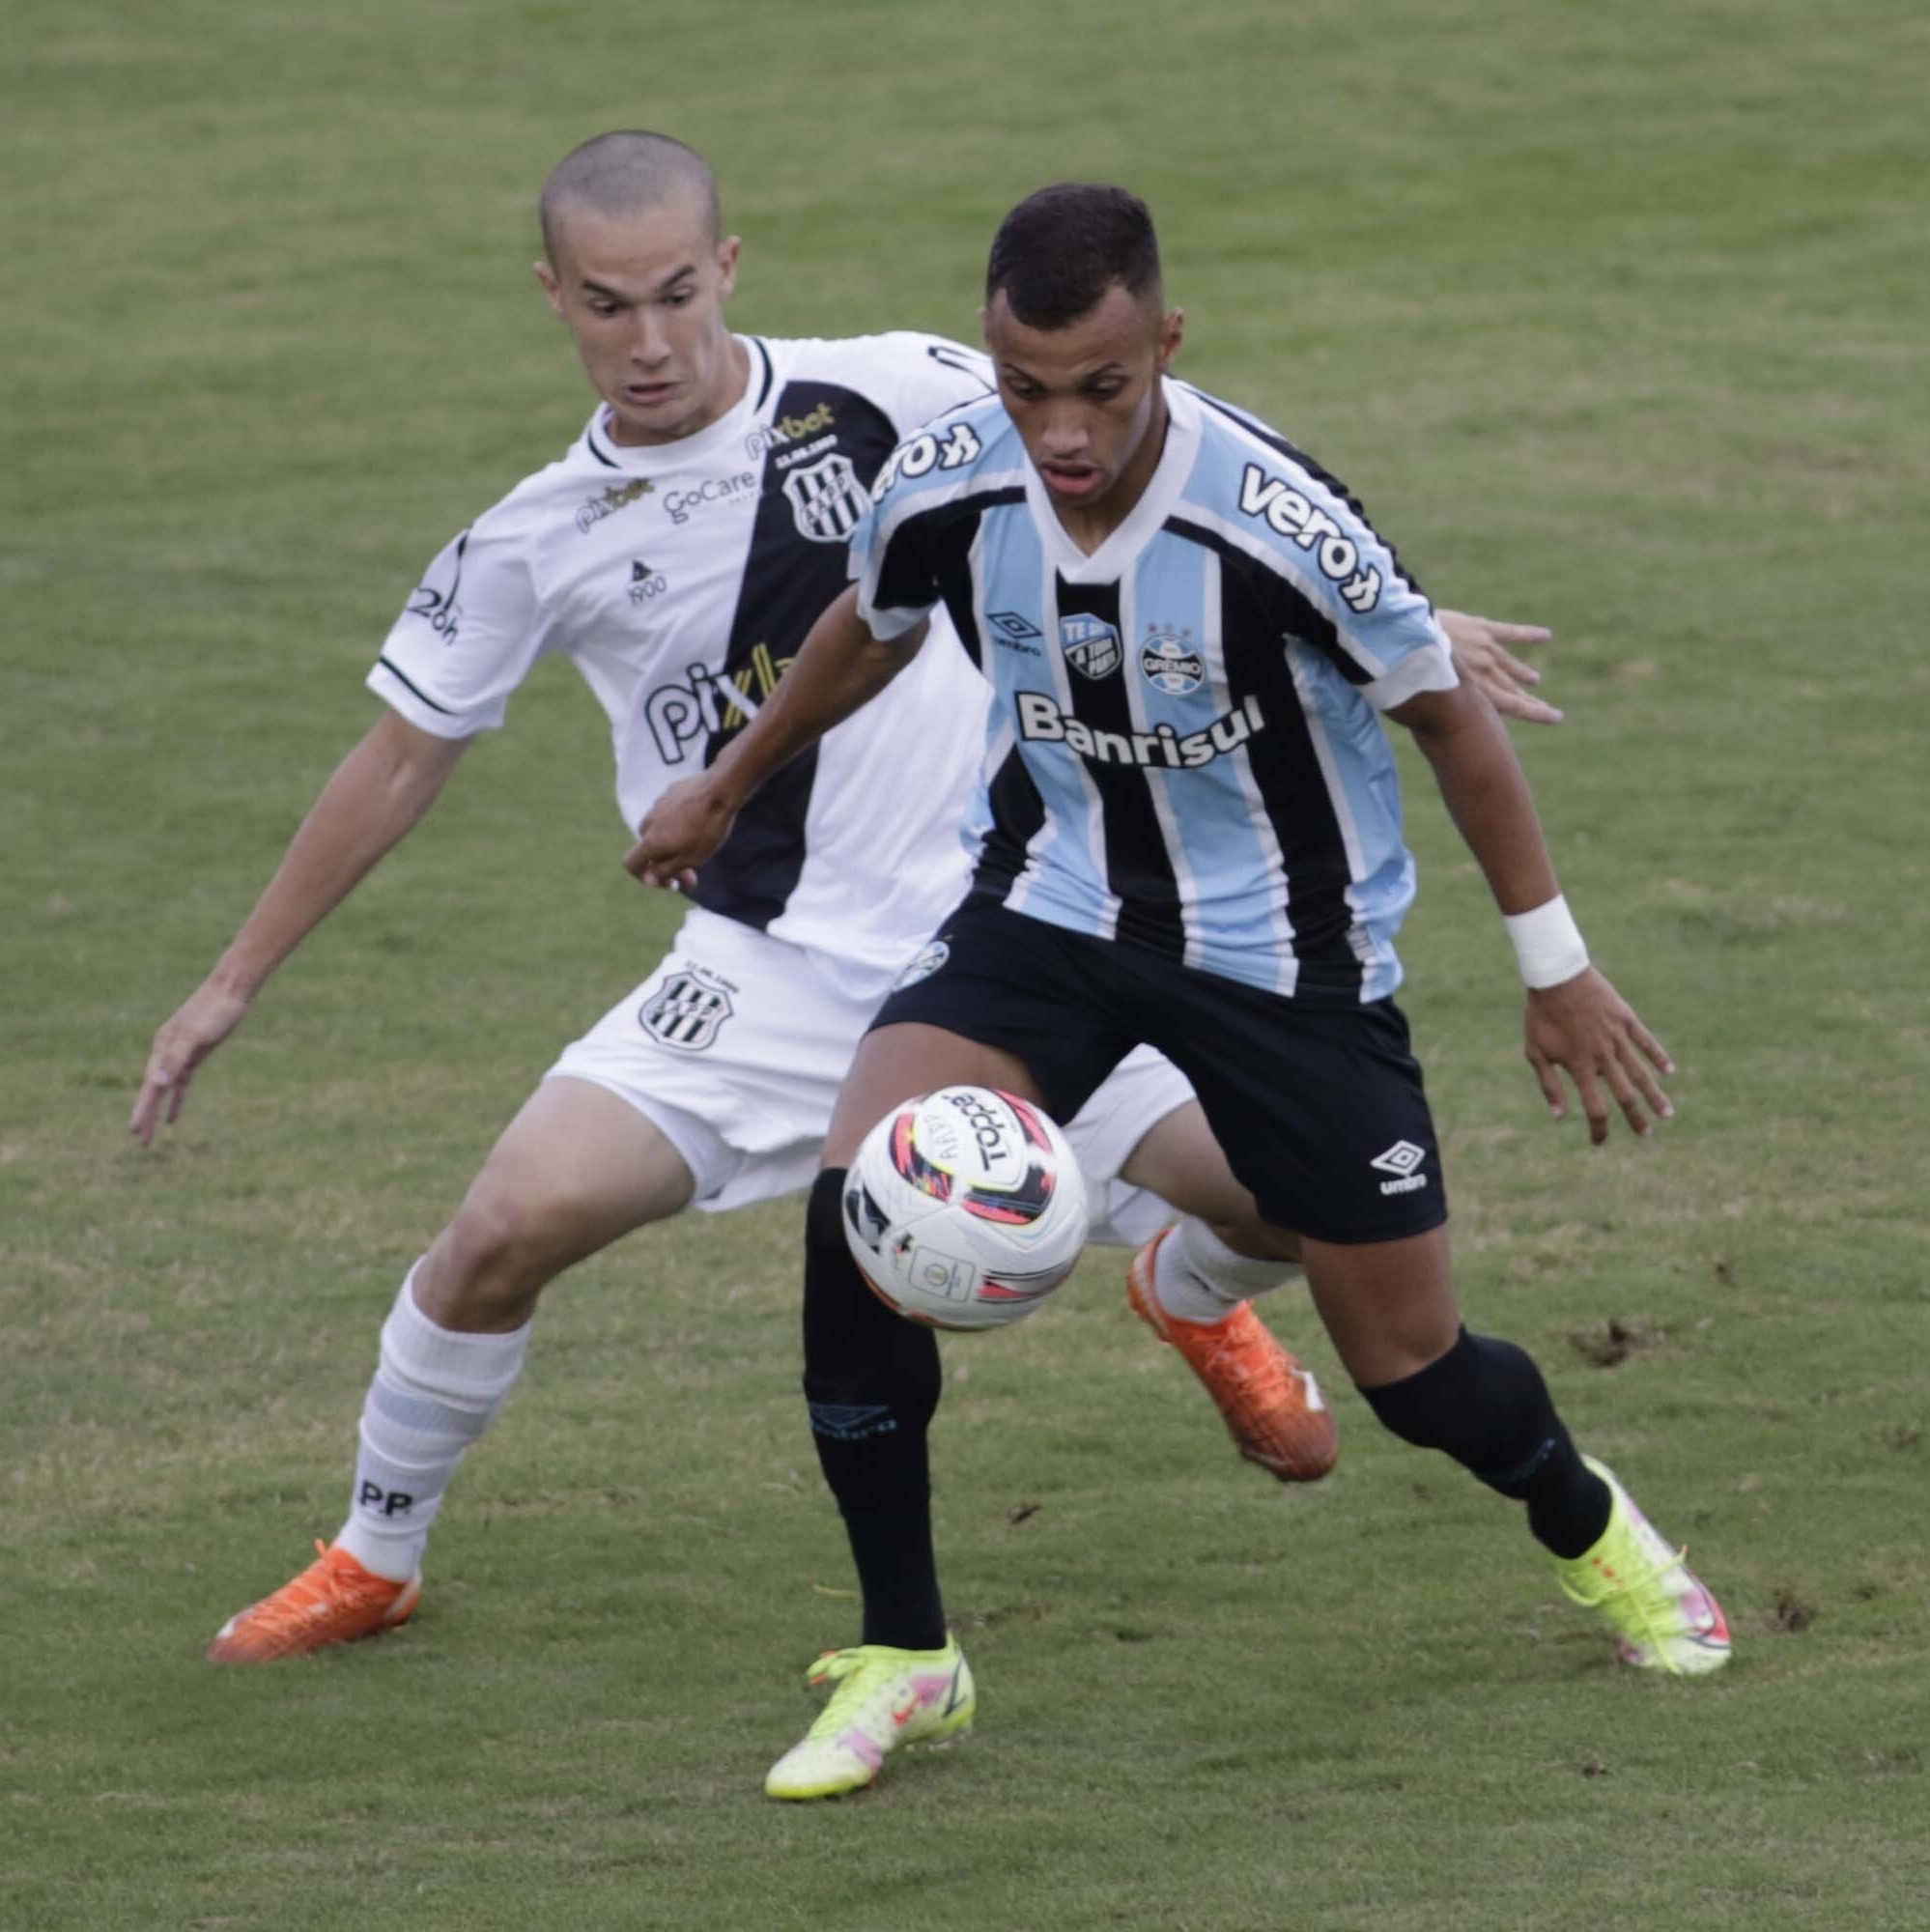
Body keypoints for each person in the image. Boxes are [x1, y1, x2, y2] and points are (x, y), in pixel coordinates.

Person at [133, 133, 1550, 1665]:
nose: (650, 339)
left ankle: (1188, 1289)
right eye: (608, 306)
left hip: (1035, 945)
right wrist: (229, 985)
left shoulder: (900, 388)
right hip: (767, 975)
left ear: (726, 269)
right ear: (554, 300)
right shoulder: (532, 537)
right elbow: (399, 762)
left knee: (1301, 1208)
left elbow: (1175, 439)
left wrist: (1395, 609)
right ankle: (373, 1553)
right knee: (499, 1231)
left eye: (677, 293)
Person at [634, 181, 1733, 1803]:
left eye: (1099, 388)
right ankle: (906, 1655)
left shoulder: (1274, 522)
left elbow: (1450, 720)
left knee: (1416, 1375)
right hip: (1053, 904)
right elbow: (868, 625)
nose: (1059, 433)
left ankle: (1595, 1531)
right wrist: (731, 780)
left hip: (1286, 954)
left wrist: (1553, 970)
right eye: (1023, 389)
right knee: (860, 1196)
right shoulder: (949, 476)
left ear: (1164, 342)